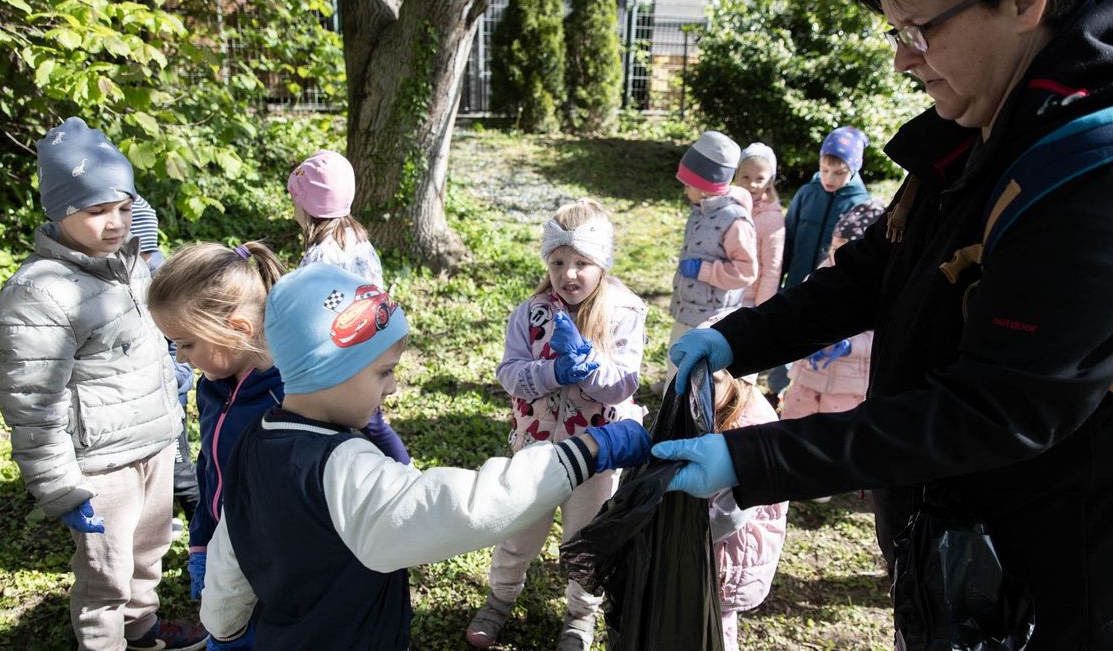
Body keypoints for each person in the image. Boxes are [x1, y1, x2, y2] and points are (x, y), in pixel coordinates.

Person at [657, 0, 1113, 648]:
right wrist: (737, 339)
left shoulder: (1101, 172)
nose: (901, 59)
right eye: (894, 32)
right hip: (958, 561)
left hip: (1059, 592)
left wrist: (755, 457)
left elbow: (996, 409)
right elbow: (876, 270)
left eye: (918, 30)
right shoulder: (981, 123)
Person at [198, 263, 651, 650]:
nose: (393, 386)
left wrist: (223, 622)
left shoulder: (255, 439)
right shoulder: (341, 466)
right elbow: (462, 507)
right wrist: (588, 449)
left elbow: (231, 542)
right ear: (328, 372)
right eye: (384, 372)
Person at [0, 117, 207, 650]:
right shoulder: (38, 293)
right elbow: (33, 403)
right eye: (96, 211)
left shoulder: (132, 265)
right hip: (102, 465)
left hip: (155, 444)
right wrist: (60, 486)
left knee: (148, 553)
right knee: (104, 577)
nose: (115, 223)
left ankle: (141, 628)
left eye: (123, 207)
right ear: (59, 211)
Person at [466, 199, 648, 651]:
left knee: (587, 541)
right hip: (537, 449)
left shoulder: (625, 311)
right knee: (519, 532)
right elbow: (510, 373)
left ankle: (580, 617)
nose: (569, 274)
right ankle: (499, 600)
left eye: (582, 263)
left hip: (595, 456)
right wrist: (553, 371)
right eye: (558, 262)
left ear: (602, 262)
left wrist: (589, 366)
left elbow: (623, 384)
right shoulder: (532, 313)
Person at [146, 241, 289, 610]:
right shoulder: (212, 388)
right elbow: (209, 470)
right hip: (225, 553)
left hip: (272, 570)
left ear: (238, 329)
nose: (180, 357)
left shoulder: (289, 399)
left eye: (186, 344)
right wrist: (201, 542)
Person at [288, 148, 410, 464]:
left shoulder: (320, 256)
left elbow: (317, 312)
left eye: (295, 202)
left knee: (356, 424)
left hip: (343, 358)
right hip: (371, 345)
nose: (293, 211)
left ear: (306, 206)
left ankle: (400, 472)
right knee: (373, 422)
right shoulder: (357, 239)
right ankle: (403, 469)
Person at [766, 127, 872, 402]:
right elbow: (788, 239)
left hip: (829, 290)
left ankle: (809, 394)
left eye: (838, 173)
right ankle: (775, 390)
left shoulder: (860, 205)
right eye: (824, 170)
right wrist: (777, 279)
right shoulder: (806, 193)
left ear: (854, 169)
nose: (829, 178)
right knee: (785, 333)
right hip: (796, 283)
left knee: (813, 338)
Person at [779, 202, 885, 438]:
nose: (838, 258)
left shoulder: (881, 288)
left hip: (847, 387)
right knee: (792, 432)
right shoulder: (821, 275)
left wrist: (850, 346)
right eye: (834, 248)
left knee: (831, 438)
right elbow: (801, 310)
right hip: (808, 378)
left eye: (846, 252)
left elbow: (883, 337)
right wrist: (804, 336)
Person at [130, 197, 200, 539]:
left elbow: (179, 345)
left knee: (180, 472)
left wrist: (172, 379)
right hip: (138, 402)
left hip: (168, 398)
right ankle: (157, 520)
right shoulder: (123, 277)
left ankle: (205, 528)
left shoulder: (161, 279)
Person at [707, 366, 788, 651]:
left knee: (713, 627)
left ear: (738, 380)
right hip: (718, 550)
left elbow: (728, 517)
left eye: (712, 380)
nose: (700, 388)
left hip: (728, 559)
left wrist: (684, 534)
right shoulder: (724, 405)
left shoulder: (745, 436)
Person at [669, 131, 758, 378]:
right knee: (675, 367)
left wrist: (704, 271)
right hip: (687, 310)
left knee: (695, 377)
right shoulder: (700, 210)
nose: (685, 191)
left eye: (688, 184)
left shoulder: (734, 221)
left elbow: (746, 272)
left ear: (705, 186)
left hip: (710, 319)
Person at [736, 143, 785, 309]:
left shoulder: (773, 219)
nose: (752, 184)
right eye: (746, 177)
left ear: (769, 181)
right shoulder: (728, 208)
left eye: (760, 179)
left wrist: (761, 309)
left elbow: (772, 269)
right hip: (721, 295)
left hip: (749, 302)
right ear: (736, 176)